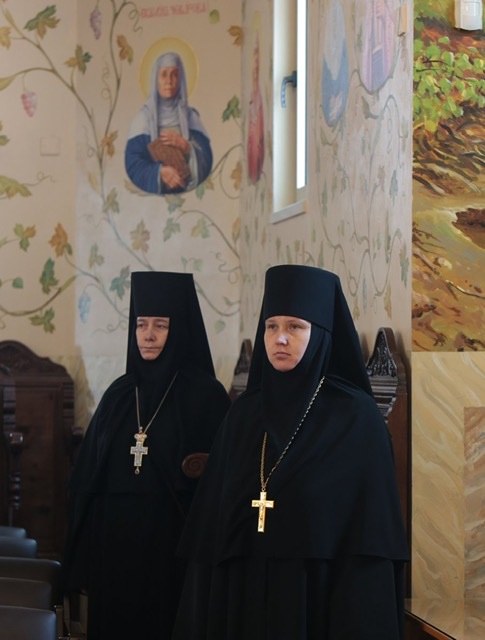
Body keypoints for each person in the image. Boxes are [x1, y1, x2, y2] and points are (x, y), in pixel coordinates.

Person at [172, 264, 409, 639]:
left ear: (321, 335)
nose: (279, 338)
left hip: (319, 601)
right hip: (244, 597)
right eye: (271, 326)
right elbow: (211, 534)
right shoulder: (244, 415)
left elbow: (368, 547)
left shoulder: (355, 418)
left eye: (295, 327)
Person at [62, 271, 231, 639]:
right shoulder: (120, 394)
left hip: (171, 549)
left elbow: (220, 489)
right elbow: (88, 481)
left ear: (179, 329)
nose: (148, 335)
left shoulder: (206, 396)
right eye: (141, 325)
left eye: (160, 325)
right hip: (115, 549)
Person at [125, 51, 213, 194]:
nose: (169, 81)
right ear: (155, 78)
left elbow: (207, 161)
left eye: (174, 74)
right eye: (164, 74)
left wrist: (187, 147)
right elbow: (133, 165)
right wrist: (160, 172)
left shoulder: (191, 117)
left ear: (181, 79)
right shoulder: (143, 119)